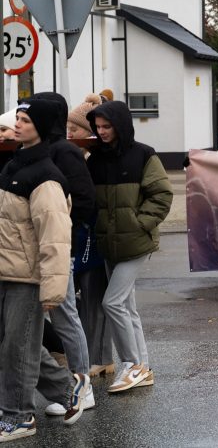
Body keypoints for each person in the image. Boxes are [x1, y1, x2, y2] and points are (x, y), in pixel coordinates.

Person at [0, 99, 89, 441]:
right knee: (16, 343)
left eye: (25, 120)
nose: (17, 124)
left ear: (41, 126)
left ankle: (18, 416)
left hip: (27, 276)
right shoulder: (14, 164)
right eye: (18, 118)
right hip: (6, 270)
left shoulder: (47, 177)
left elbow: (55, 237)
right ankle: (68, 390)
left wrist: (52, 289)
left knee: (17, 348)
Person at [87, 100, 173, 393]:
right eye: (98, 127)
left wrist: (140, 224)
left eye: (107, 126)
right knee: (126, 306)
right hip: (109, 242)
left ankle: (132, 365)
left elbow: (162, 194)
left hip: (136, 242)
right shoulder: (95, 158)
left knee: (112, 302)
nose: (101, 132)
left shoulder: (144, 154)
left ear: (120, 125)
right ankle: (143, 368)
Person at [28, 93, 96, 413]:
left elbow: (84, 199)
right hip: (35, 248)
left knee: (65, 314)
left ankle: (84, 388)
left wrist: (62, 228)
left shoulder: (64, 151)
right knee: (38, 317)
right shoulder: (35, 150)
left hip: (60, 246)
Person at [65, 93, 115, 378]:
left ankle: (101, 357)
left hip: (94, 235)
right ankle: (88, 356)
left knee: (95, 298)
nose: (70, 132)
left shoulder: (93, 160)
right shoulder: (76, 156)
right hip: (79, 234)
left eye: (75, 128)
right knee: (81, 300)